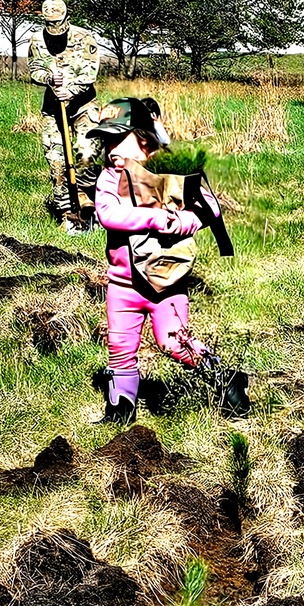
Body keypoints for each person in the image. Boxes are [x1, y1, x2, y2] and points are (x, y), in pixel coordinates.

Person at [88, 97, 249, 424]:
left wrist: (183, 221)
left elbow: (210, 208)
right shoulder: (109, 178)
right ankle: (121, 409)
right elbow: (108, 215)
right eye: (106, 140)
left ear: (144, 140)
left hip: (167, 284)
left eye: (119, 139)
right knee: (120, 347)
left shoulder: (170, 171)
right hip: (122, 285)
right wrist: (155, 218)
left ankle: (227, 380)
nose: (111, 148)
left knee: (173, 342)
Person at [28, 0, 102, 231]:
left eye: (58, 23)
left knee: (87, 155)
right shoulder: (37, 40)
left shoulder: (84, 37)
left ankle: (90, 198)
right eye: (50, 23)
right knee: (57, 161)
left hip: (83, 105)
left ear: (66, 18)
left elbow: (90, 74)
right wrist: (49, 79)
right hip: (53, 109)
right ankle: (68, 213)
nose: (54, 28)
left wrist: (69, 90)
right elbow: (34, 69)